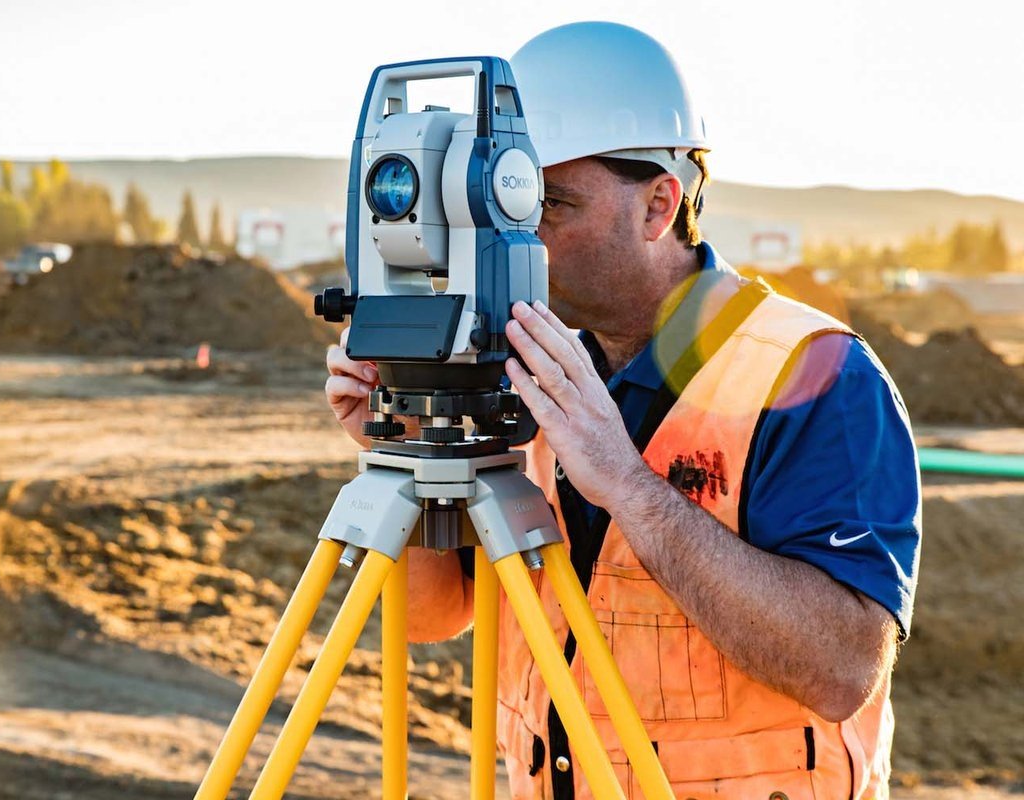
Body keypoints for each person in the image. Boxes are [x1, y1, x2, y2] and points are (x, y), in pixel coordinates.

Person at [325, 22, 920, 800]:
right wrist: (401, 449)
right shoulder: (526, 363)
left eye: (550, 204)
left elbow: (843, 669)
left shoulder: (812, 375)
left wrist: (628, 486)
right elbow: (433, 617)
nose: (518, 235)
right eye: (501, 203)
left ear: (659, 206)